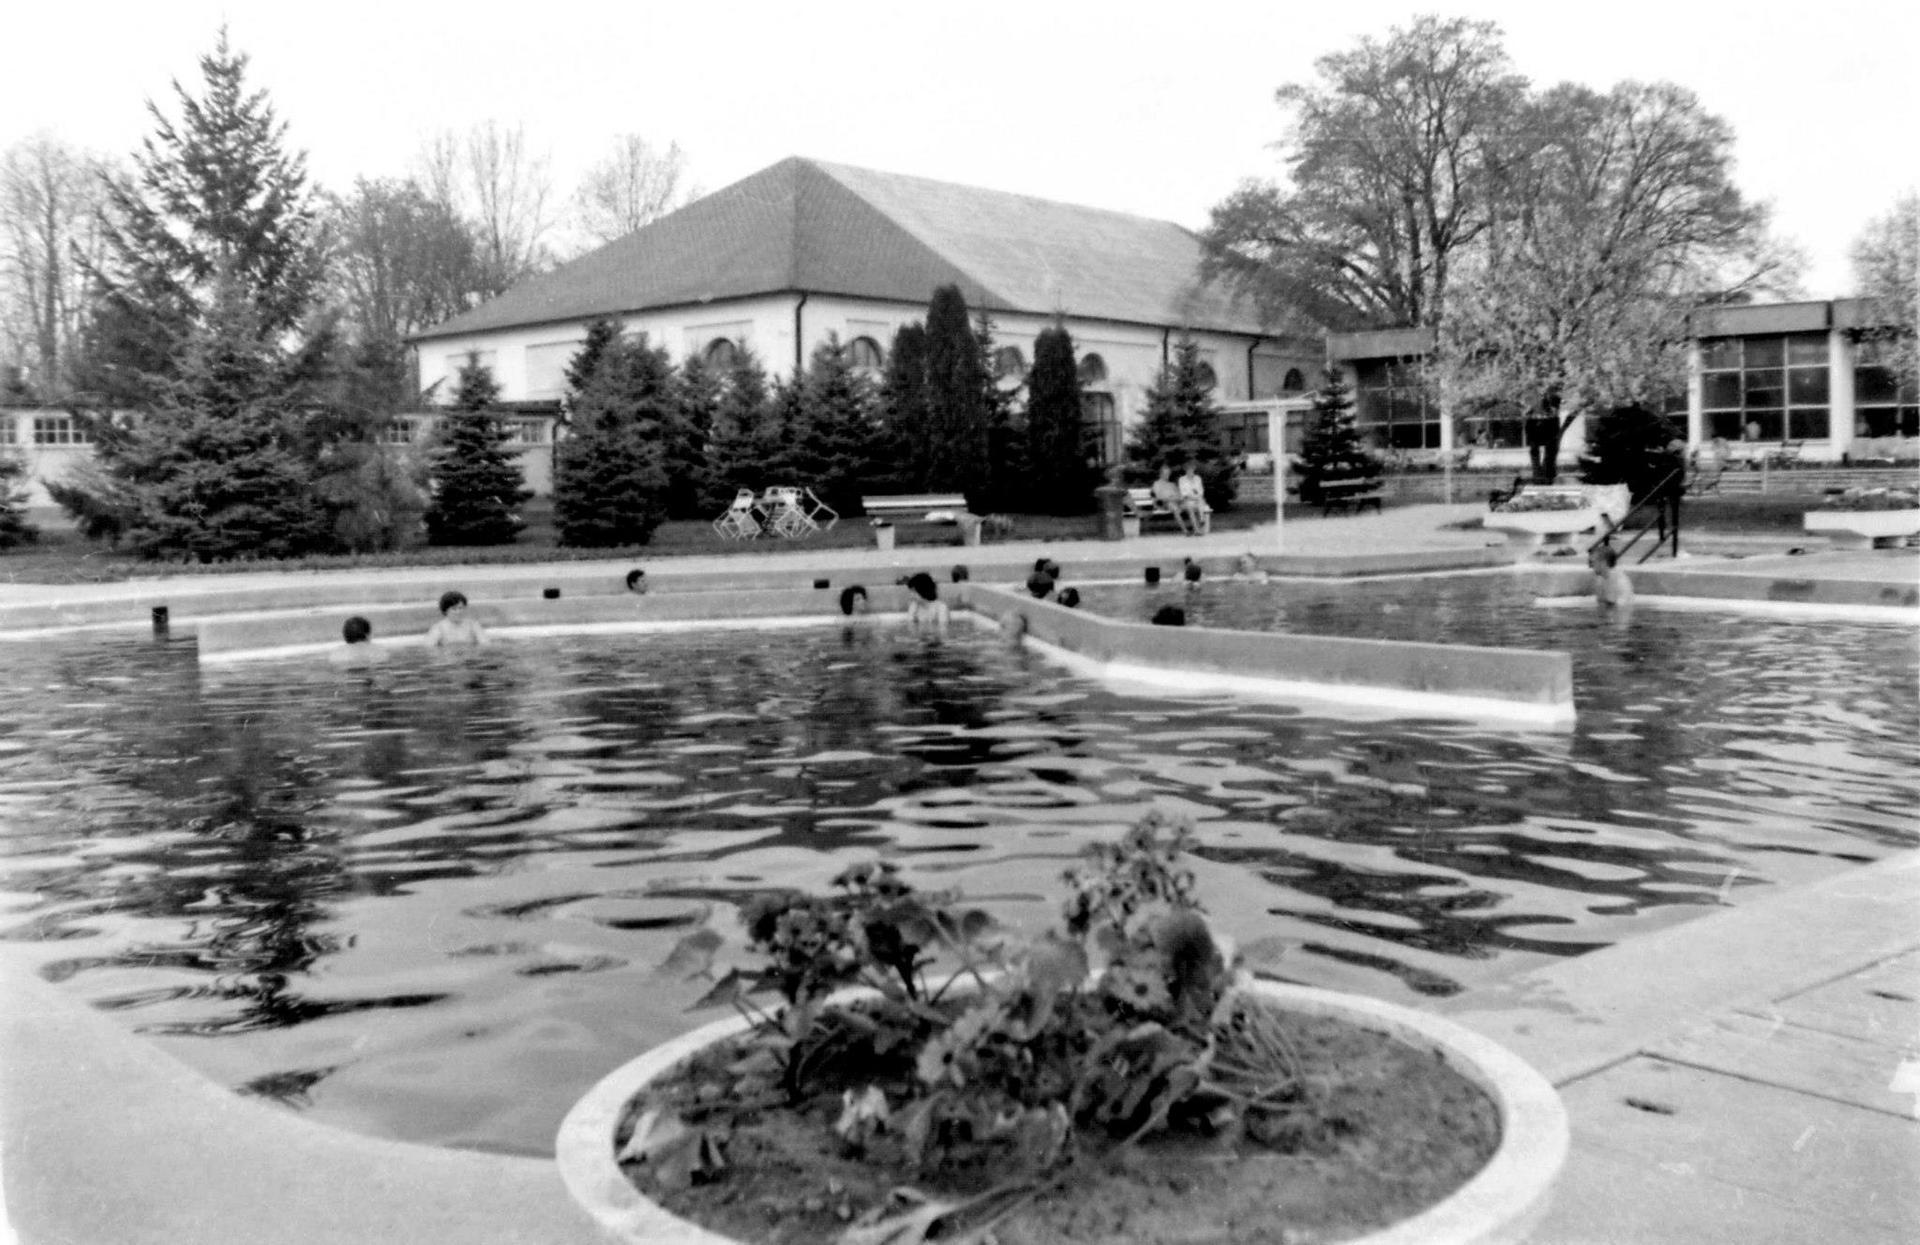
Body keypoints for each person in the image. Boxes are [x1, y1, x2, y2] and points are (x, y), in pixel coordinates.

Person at [1590, 542, 1633, 610]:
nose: (1592, 566)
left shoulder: (1620, 582)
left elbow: (1621, 609)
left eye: (1594, 562)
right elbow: (1600, 603)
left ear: (1603, 562)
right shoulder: (1601, 580)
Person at [1151, 465, 1191, 534]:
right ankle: (1185, 530)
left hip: (1177, 502)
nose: (1167, 475)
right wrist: (1170, 498)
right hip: (1165, 504)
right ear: (1161, 474)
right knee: (1174, 508)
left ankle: (1197, 528)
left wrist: (1178, 498)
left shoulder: (1172, 484)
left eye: (1168, 474)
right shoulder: (1157, 484)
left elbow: (1179, 495)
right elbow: (1159, 497)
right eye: (1165, 474)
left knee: (1189, 505)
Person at [1176, 462, 1207, 535]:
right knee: (1190, 507)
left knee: (1200, 499)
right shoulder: (1182, 479)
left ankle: (1201, 519)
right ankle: (1197, 529)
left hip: (1197, 500)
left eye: (1192, 469)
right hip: (1187, 500)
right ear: (1185, 470)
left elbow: (1201, 491)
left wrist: (1195, 495)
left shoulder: (1197, 478)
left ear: (1194, 469)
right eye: (1188, 469)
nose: (1190, 471)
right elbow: (1183, 493)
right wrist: (1193, 496)